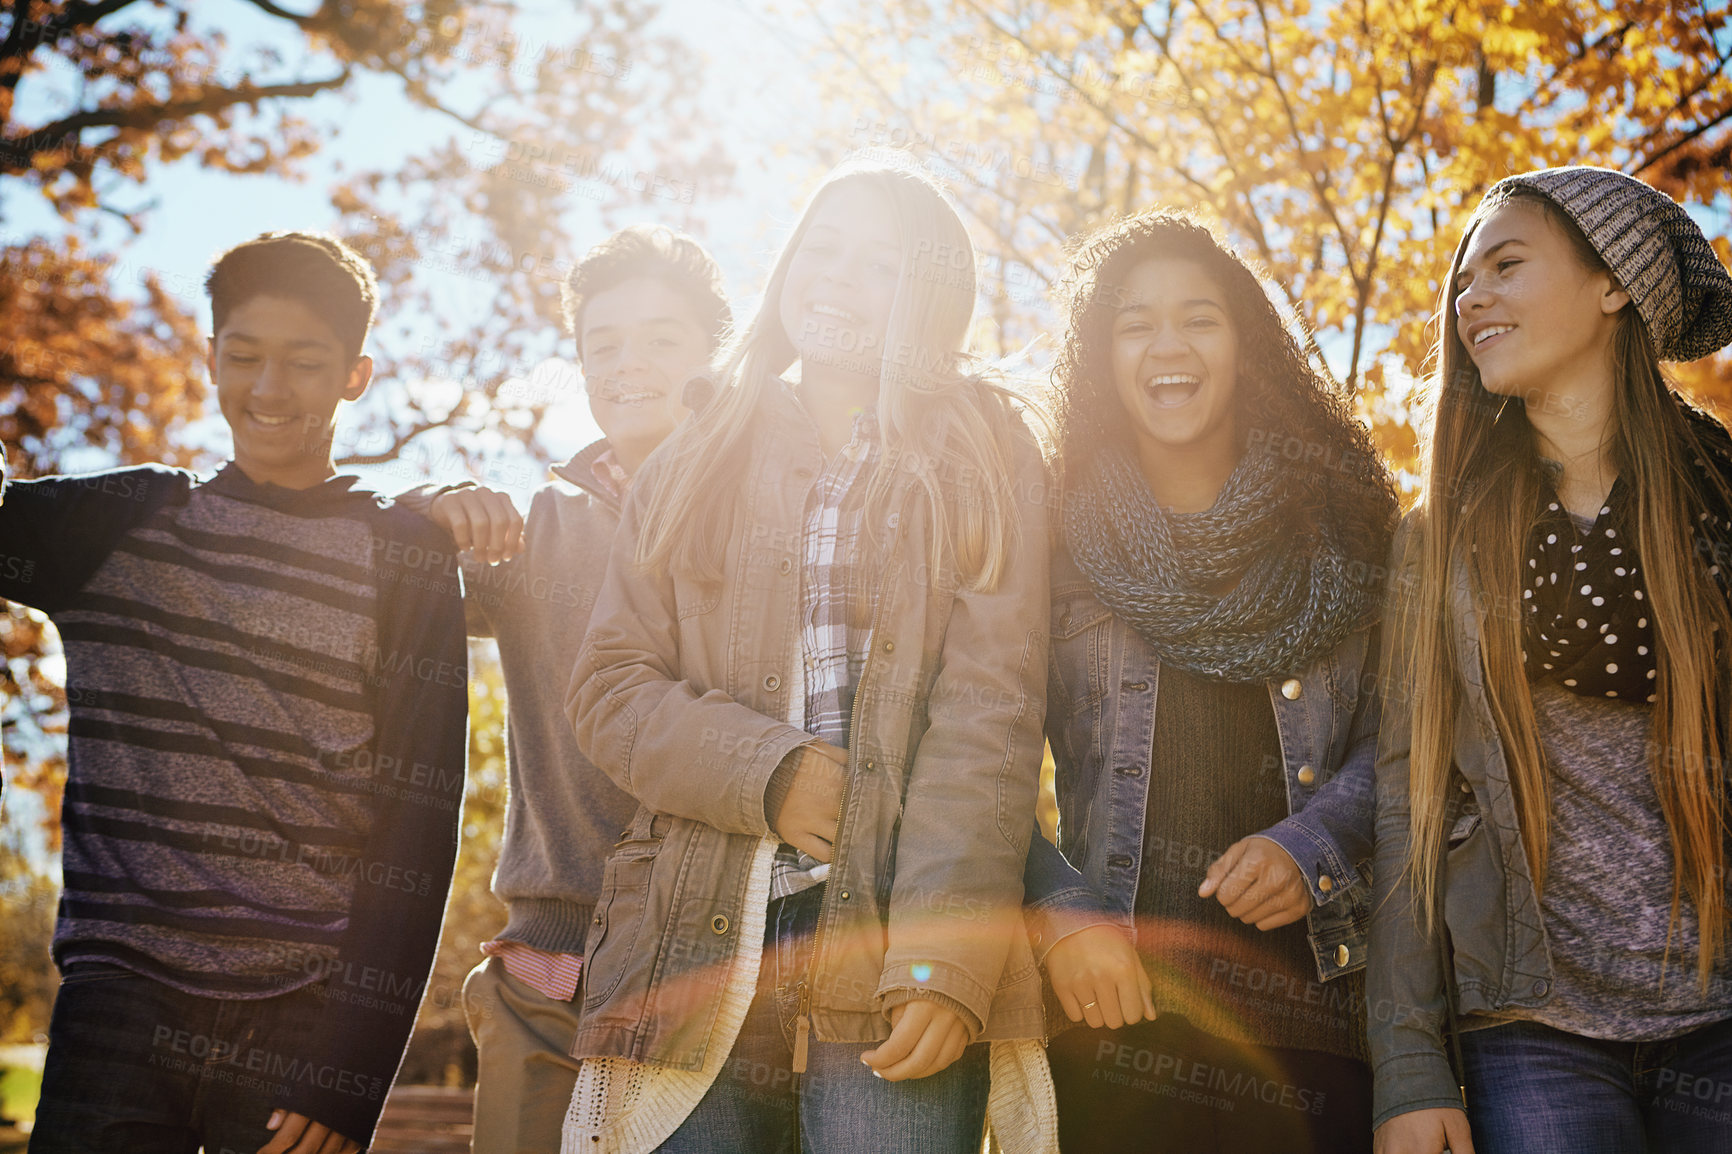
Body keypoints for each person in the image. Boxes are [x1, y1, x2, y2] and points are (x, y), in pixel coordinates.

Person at [562, 157, 1055, 1154]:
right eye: (821, 249)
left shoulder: (984, 452)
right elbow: (610, 689)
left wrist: (944, 958)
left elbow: (989, 717)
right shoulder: (691, 458)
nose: (836, 277)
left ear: (932, 295)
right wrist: (770, 771)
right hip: (691, 936)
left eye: (879, 264)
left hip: (888, 937)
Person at [5, 232, 470, 1154]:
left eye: (304, 362)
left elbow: (418, 823)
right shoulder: (118, 524)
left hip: (304, 1014)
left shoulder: (406, 559)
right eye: (243, 356)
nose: (268, 389)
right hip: (117, 1003)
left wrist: (352, 1067)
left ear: (355, 375)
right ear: (209, 357)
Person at [1370, 167, 1732, 1154]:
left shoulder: (1720, 501)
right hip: (1531, 1028)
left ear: (1612, 283)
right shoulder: (1440, 534)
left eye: (1506, 264)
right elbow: (1408, 798)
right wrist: (1407, 1068)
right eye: (1462, 278)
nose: (1468, 295)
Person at [1023, 210, 1398, 1153]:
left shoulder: (1345, 527)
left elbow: (1408, 741)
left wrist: (1314, 846)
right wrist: (1062, 913)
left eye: (1199, 317)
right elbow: (975, 754)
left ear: (1247, 345)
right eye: (1135, 323)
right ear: (1102, 356)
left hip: (1316, 1020)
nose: (1168, 346)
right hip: (1117, 1015)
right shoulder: (1052, 536)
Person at [393, 224, 732, 1153]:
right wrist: (429, 508)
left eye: (663, 339)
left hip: (723, 962)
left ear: (717, 355)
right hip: (552, 968)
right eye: (603, 343)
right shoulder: (532, 533)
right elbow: (373, 585)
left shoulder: (776, 515)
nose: (629, 364)